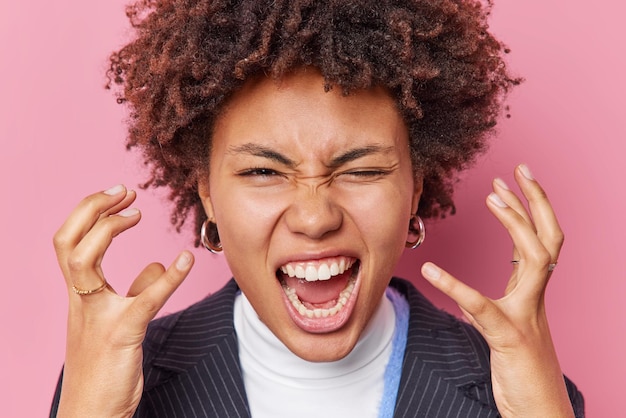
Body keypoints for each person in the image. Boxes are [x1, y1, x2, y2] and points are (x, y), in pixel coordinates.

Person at [50, 0, 584, 416]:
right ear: (207, 192)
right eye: (263, 171)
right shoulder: (112, 385)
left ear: (416, 187)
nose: (314, 217)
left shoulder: (521, 389)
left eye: (362, 169)